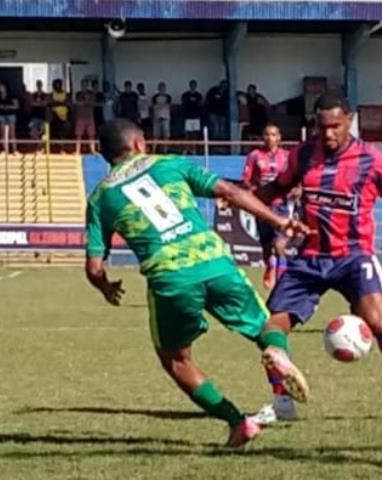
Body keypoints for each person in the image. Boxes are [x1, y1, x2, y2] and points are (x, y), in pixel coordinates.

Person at [85, 119, 311, 447]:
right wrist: (279, 220)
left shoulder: (100, 198)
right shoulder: (170, 164)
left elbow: (93, 266)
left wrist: (105, 286)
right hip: (215, 263)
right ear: (138, 144)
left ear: (104, 154)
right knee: (266, 326)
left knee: (176, 360)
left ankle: (238, 423)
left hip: (170, 278)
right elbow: (230, 191)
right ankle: (276, 350)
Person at [254, 93, 382, 425]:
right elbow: (276, 189)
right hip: (309, 258)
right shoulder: (303, 155)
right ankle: (282, 401)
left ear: (349, 121)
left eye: (335, 126)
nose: (328, 133)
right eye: (321, 126)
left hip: (353, 256)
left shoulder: (371, 161)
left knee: (377, 320)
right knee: (271, 329)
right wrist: (239, 198)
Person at [241, 122, 294, 289]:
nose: (270, 138)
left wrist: (295, 189)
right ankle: (270, 267)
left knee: (279, 245)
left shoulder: (287, 156)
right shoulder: (255, 155)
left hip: (281, 205)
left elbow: (296, 177)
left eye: (273, 135)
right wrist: (254, 190)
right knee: (266, 247)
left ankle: (282, 279)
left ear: (279, 138)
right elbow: (246, 180)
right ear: (262, 137)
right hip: (262, 207)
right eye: (266, 134)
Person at [0, 81, 19, 154]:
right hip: (1, 115)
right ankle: (5, 149)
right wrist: (0, 107)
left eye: (1, 86)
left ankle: (14, 149)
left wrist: (7, 107)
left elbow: (17, 106)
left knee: (12, 134)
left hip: (10, 115)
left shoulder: (12, 95)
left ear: (5, 87)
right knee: (2, 133)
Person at [74, 79, 97, 154]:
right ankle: (77, 150)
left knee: (91, 135)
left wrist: (85, 103)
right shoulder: (78, 94)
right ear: (81, 85)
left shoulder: (91, 93)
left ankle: (92, 150)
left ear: (87, 85)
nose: (84, 86)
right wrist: (86, 102)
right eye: (83, 84)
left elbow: (93, 103)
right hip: (80, 117)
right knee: (78, 135)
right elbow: (77, 103)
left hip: (90, 117)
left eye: (86, 84)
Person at [49, 79, 71, 148]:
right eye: (56, 84)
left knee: (64, 131)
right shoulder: (52, 94)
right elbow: (51, 103)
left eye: (59, 84)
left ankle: (63, 147)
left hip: (64, 116)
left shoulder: (65, 93)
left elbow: (67, 103)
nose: (57, 86)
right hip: (54, 115)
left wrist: (57, 103)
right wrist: (62, 103)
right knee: (55, 132)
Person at [152, 82, 172, 151]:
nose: (162, 89)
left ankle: (165, 150)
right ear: (158, 89)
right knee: (155, 135)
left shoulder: (168, 97)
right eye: (160, 88)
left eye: (163, 88)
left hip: (165, 118)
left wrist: (160, 105)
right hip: (157, 118)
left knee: (166, 135)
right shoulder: (155, 97)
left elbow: (168, 106)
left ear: (165, 89)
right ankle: (153, 150)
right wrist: (162, 105)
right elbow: (154, 106)